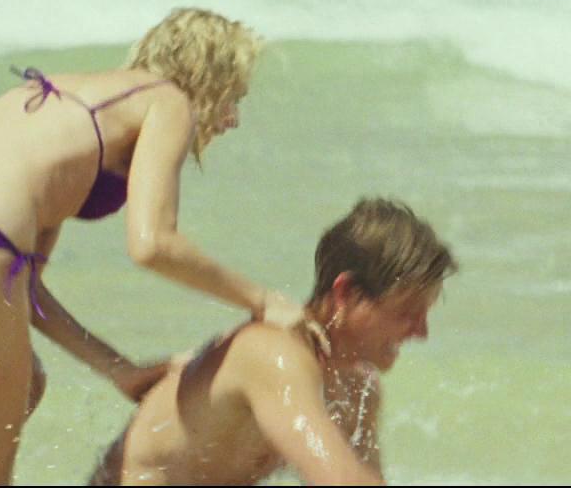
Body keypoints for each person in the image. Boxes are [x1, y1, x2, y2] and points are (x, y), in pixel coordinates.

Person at [0, 7, 306, 485]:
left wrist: (117, 369)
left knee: (22, 391)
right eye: (234, 96)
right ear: (209, 75)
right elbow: (153, 244)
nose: (232, 118)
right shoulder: (169, 100)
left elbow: (23, 286)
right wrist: (264, 301)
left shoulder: (68, 98)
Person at [89, 197, 456, 486]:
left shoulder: (359, 388)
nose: (421, 331)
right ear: (346, 293)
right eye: (407, 311)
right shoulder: (273, 354)